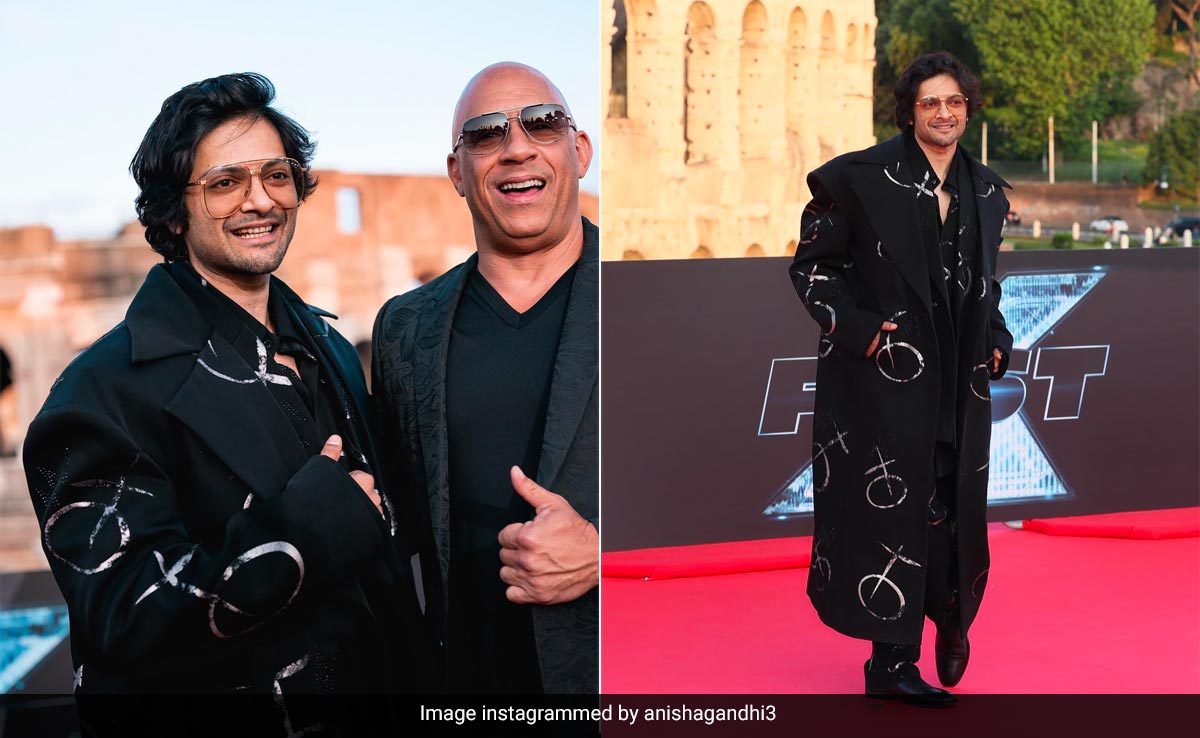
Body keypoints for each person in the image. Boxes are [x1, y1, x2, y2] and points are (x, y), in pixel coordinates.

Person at [21, 73, 428, 729]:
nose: (259, 200)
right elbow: (122, 621)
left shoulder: (327, 345)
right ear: (173, 212)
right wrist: (308, 528)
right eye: (224, 183)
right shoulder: (102, 392)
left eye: (277, 175)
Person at [788, 51, 1012, 706]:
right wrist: (861, 330)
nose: (944, 113)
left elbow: (985, 284)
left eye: (954, 102)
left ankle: (951, 618)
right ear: (909, 112)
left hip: (959, 384)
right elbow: (812, 268)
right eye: (930, 102)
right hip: (887, 381)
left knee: (952, 508)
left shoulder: (988, 191)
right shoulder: (855, 179)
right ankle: (891, 662)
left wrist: (997, 338)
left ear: (968, 109)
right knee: (895, 517)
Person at [372, 62, 598, 695]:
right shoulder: (403, 328)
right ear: (457, 172)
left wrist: (604, 555)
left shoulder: (649, 303)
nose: (516, 147)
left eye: (543, 123)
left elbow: (718, 490)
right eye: (486, 133)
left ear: (580, 151)